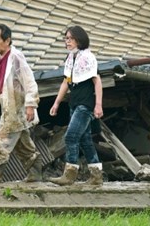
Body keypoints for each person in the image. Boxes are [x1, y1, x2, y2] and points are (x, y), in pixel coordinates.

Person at [0, 23, 42, 184]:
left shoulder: (16, 57)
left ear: (7, 40)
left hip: (17, 109)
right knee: (23, 145)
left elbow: (29, 82)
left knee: (1, 140)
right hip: (9, 109)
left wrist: (30, 105)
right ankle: (35, 173)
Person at [49, 25, 104, 186]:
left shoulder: (88, 57)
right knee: (85, 139)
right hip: (74, 103)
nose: (67, 41)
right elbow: (66, 81)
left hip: (85, 104)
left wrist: (98, 105)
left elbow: (97, 80)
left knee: (71, 136)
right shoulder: (71, 58)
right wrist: (57, 102)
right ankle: (96, 176)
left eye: (70, 38)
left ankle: (70, 174)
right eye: (66, 38)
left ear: (79, 40)